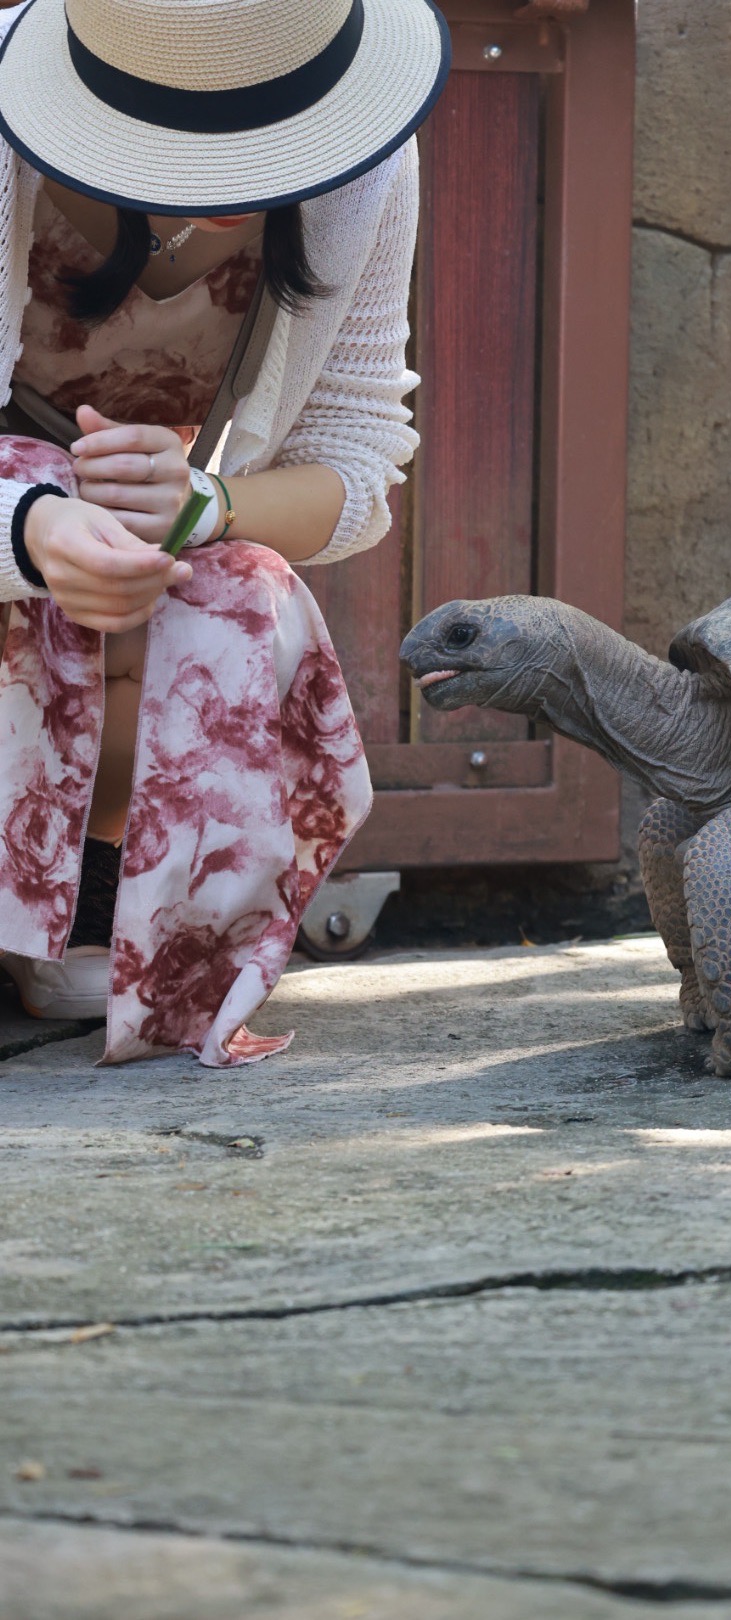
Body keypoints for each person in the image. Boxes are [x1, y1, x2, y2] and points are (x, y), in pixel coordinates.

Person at [0, 0, 450, 1064]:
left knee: (237, 590)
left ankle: (105, 911)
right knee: (53, 559)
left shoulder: (362, 148)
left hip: (149, 515)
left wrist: (206, 508)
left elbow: (355, 456)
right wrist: (37, 528)